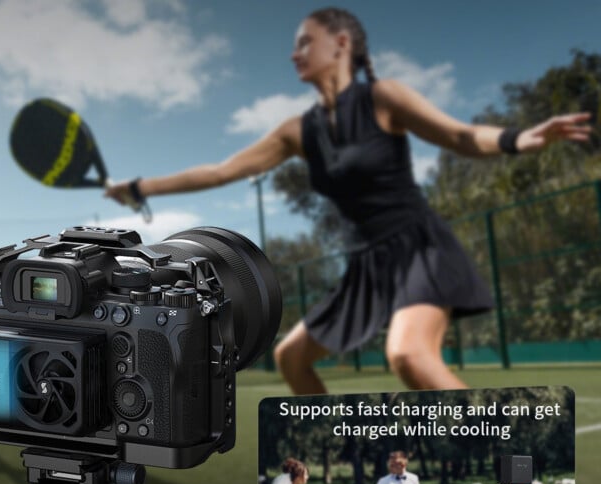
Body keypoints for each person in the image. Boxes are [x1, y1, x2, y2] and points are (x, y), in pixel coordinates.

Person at [105, 7, 592, 394]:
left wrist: (519, 139)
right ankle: (350, 450)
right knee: (292, 359)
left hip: (417, 248)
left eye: (304, 42)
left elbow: (461, 136)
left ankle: (515, 463)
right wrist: (142, 188)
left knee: (410, 356)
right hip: (366, 265)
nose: (293, 53)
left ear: (340, 44)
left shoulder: (384, 97)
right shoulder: (299, 130)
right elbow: (221, 171)